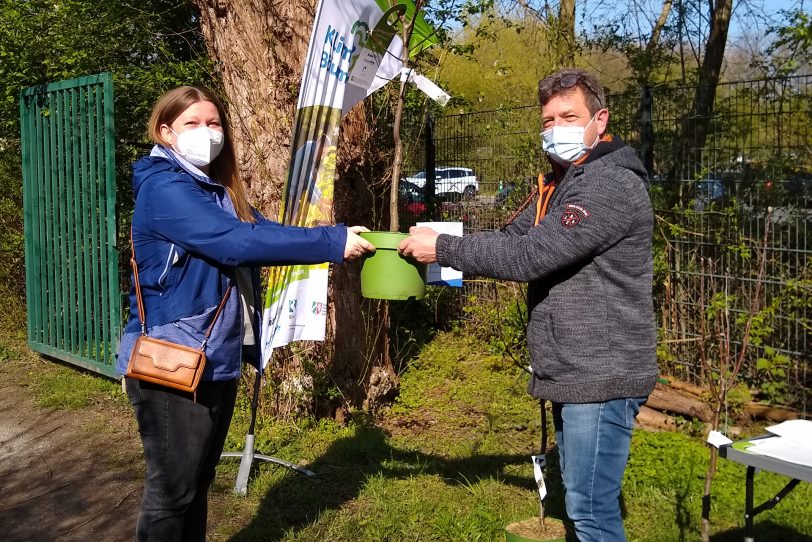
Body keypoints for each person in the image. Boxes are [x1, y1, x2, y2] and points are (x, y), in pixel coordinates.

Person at [399, 68, 657, 542]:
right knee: (581, 504)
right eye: (547, 120)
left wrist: (446, 250)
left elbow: (530, 255)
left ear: (600, 120)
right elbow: (512, 238)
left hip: (601, 372)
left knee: (591, 512)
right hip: (574, 368)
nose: (555, 128)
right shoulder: (563, 184)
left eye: (568, 116)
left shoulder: (608, 185)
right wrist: (434, 240)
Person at [116, 85, 375, 542]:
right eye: (191, 124)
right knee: (171, 493)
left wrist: (335, 235)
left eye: (213, 123)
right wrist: (331, 244)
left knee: (196, 485)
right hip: (172, 362)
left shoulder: (211, 189)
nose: (206, 133)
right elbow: (237, 244)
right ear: (165, 132)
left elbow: (259, 230)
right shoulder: (165, 188)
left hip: (212, 356)